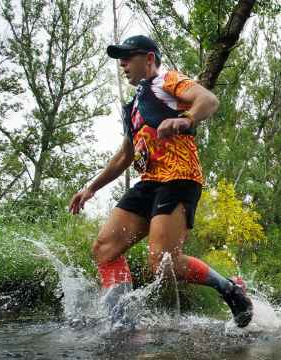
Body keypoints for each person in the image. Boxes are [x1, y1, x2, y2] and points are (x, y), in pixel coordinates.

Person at [68, 35, 252, 327]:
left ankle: (229, 287)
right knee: (104, 250)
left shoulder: (168, 80)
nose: (123, 64)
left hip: (180, 177)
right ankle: (122, 325)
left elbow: (209, 100)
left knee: (164, 265)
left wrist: (186, 119)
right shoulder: (131, 108)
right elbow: (124, 156)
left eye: (128, 57)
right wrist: (91, 188)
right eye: (120, 59)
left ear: (149, 58)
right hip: (149, 182)